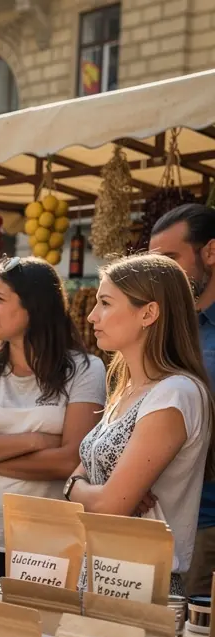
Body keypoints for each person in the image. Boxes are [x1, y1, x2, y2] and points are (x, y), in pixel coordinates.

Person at [66, 253, 215, 596]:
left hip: (139, 586)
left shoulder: (176, 394)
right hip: (96, 573)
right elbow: (84, 481)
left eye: (105, 303)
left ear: (148, 313)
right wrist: (81, 488)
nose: (92, 316)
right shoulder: (126, 388)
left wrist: (77, 489)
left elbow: (110, 507)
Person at [0, 256, 105, 576]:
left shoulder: (85, 370)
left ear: (34, 306)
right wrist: (35, 440)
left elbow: (69, 462)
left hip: (47, 543)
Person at [149, 204, 215, 595]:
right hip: (157, 521)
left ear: (210, 252)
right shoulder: (167, 329)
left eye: (170, 259)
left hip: (204, 522)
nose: (161, 274)